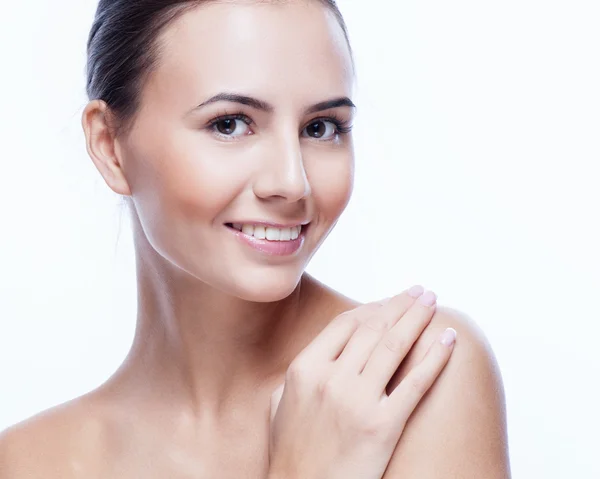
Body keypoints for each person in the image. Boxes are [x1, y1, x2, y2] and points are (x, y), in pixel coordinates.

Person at [0, 0, 510, 477]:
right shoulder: (26, 461)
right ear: (110, 147)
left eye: (322, 127)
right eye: (230, 124)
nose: (292, 182)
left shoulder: (411, 376)